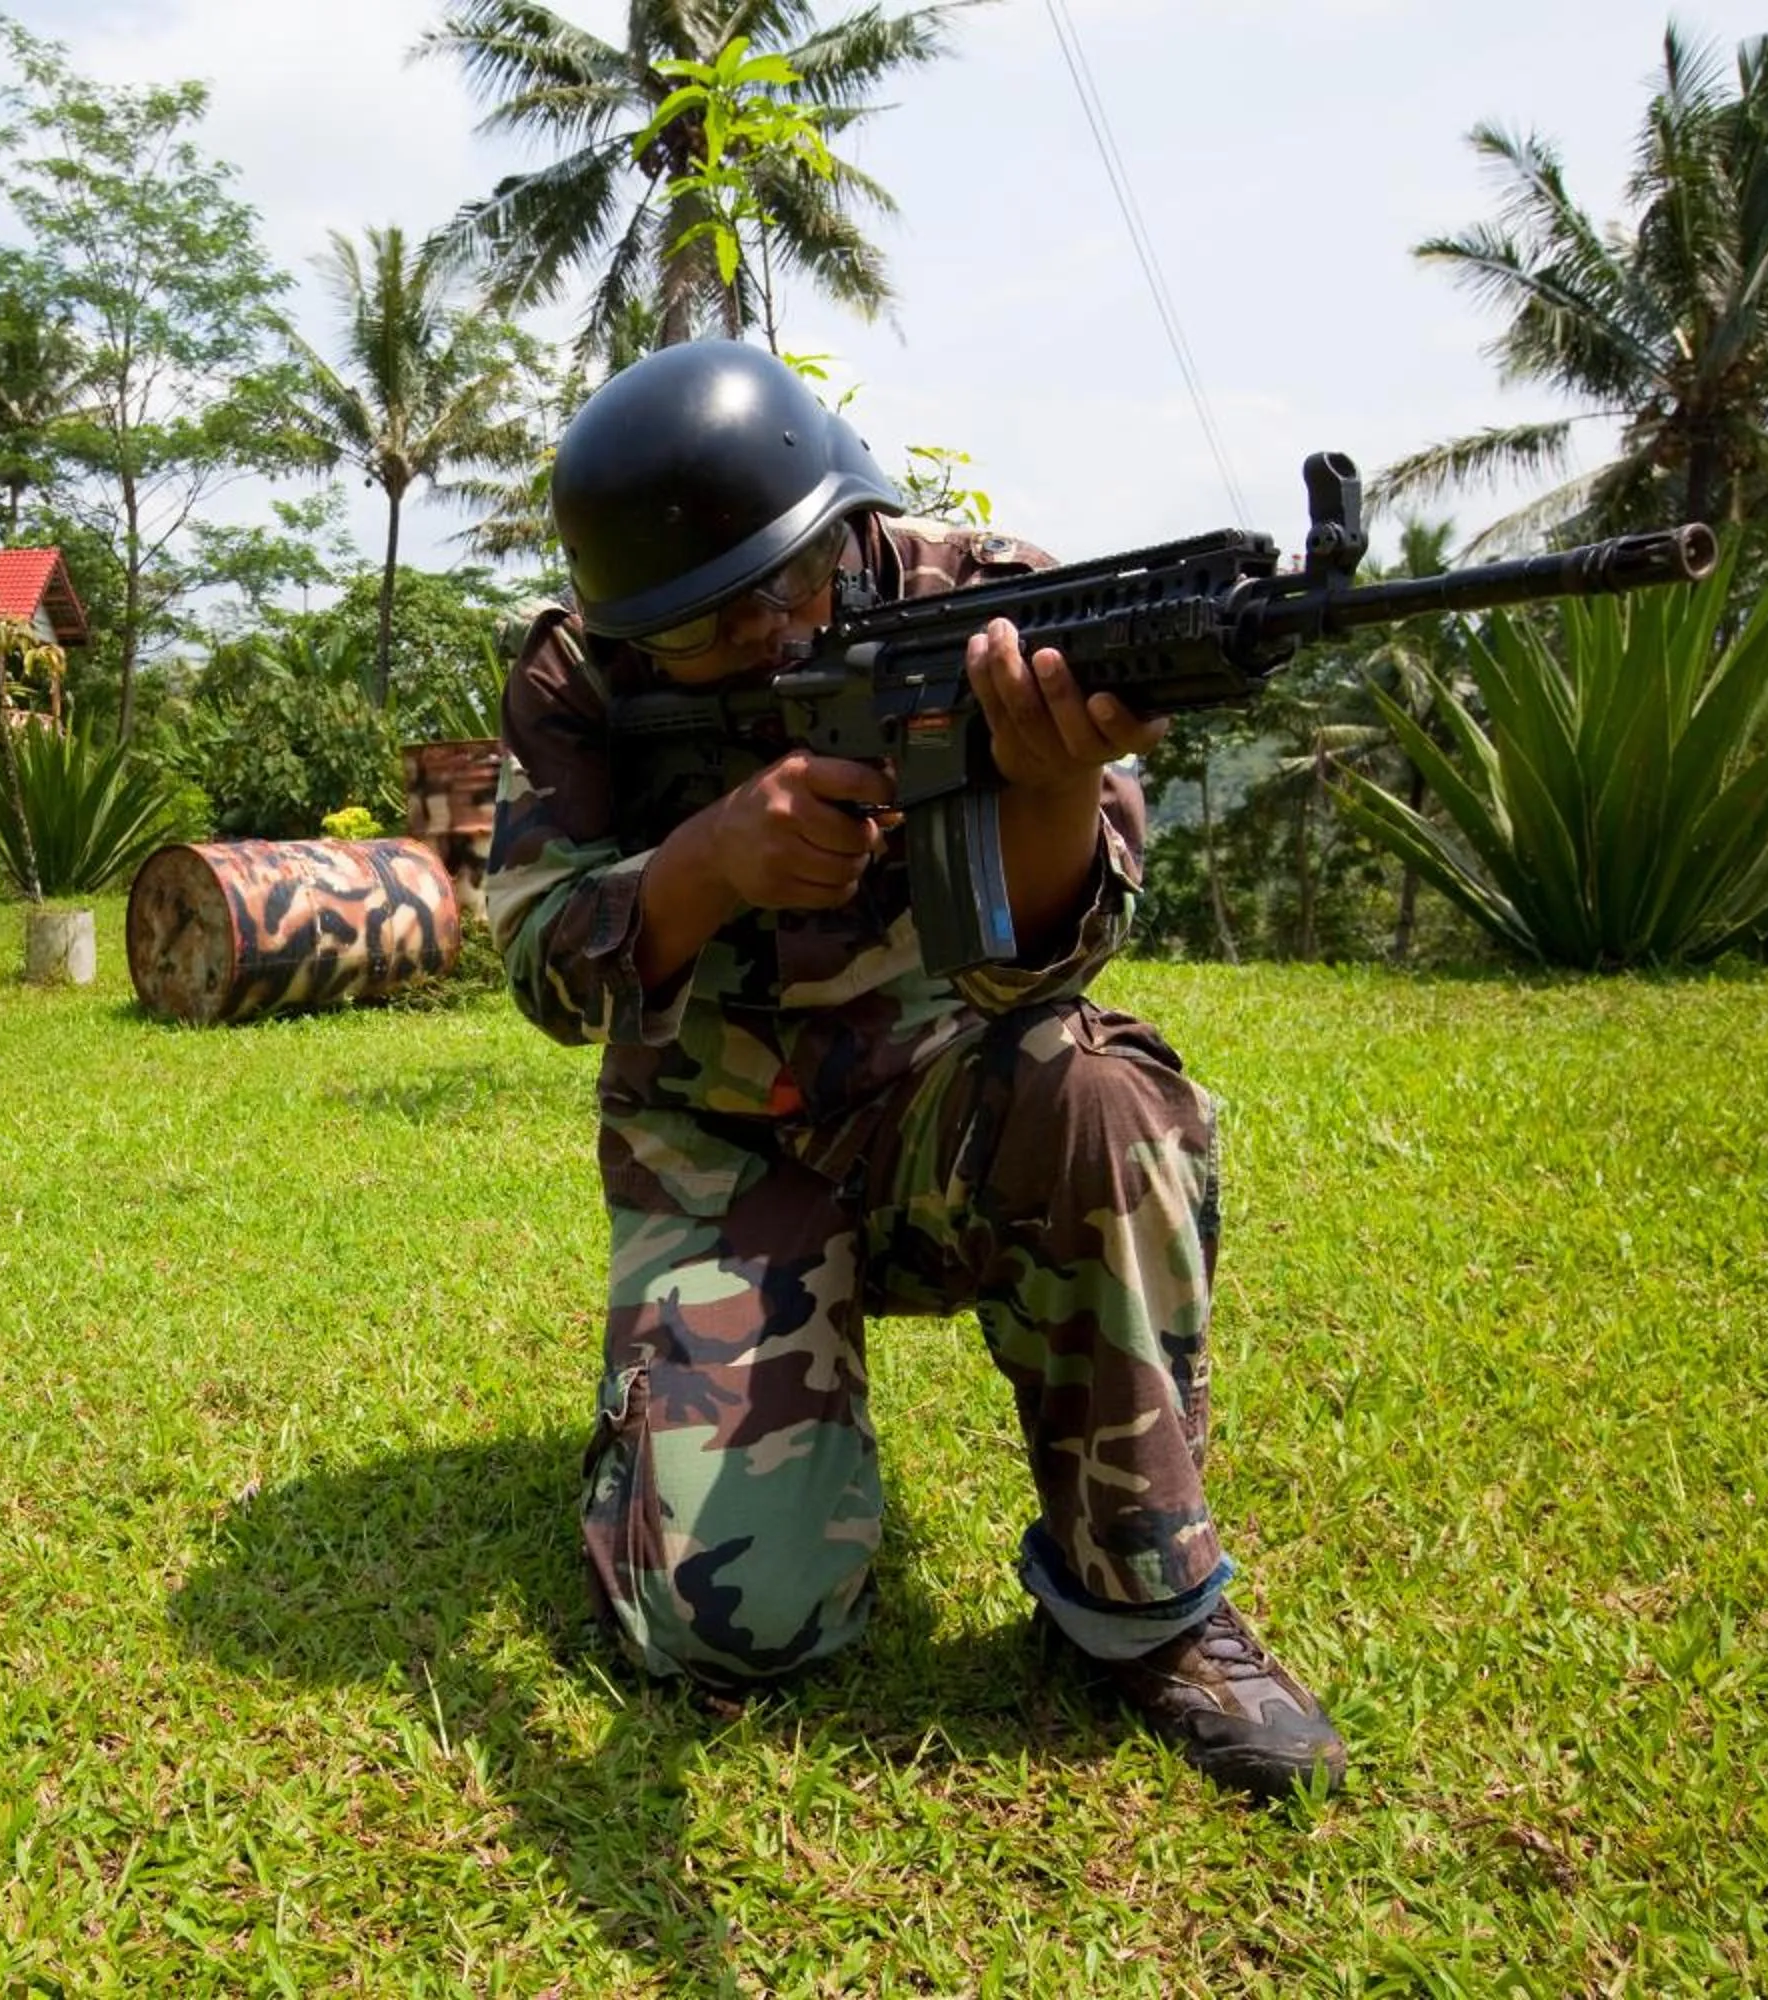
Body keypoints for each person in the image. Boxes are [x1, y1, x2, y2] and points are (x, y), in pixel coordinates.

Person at [485, 339, 1347, 1801]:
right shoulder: (579, 673)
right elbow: (541, 969)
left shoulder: (998, 606)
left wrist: (1056, 774)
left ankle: (1144, 1609)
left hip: (944, 1125)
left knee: (1105, 1092)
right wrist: (708, 865)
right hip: (721, 1154)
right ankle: (653, 1446)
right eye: (715, 624)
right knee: (740, 1635)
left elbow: (1046, 974)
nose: (774, 630)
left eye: (801, 576)